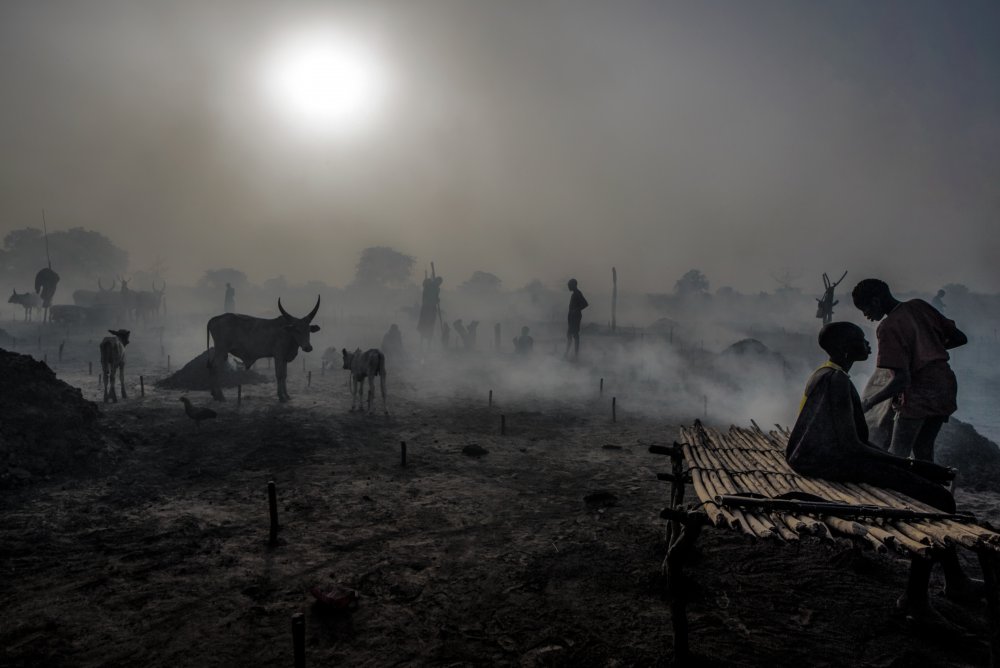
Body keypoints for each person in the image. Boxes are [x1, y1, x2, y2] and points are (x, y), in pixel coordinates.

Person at [786, 321, 981, 615]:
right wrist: (912, 464)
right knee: (939, 499)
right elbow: (853, 447)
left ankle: (955, 581)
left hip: (825, 458)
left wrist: (913, 466)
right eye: (861, 340)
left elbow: (855, 441)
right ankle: (916, 597)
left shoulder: (825, 373)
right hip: (832, 464)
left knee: (929, 488)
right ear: (844, 348)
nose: (867, 344)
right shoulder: (837, 381)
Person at [852, 279, 967, 462]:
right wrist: (930, 348)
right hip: (944, 387)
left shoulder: (888, 327)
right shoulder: (919, 306)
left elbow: (902, 379)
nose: (866, 315)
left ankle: (895, 490)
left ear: (875, 301)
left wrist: (869, 402)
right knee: (923, 450)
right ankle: (929, 488)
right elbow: (960, 338)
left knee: (898, 452)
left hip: (918, 394)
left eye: (865, 309)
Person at [564, 278, 588, 360]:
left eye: (569, 285)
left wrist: (576, 310)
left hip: (575, 317)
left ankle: (573, 355)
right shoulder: (574, 294)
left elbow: (585, 304)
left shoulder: (577, 293)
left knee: (573, 335)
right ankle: (571, 354)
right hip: (572, 317)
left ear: (573, 285)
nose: (568, 287)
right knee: (571, 335)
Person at [418, 276, 443, 349]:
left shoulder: (437, 289)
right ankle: (421, 344)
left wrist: (437, 299)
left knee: (430, 327)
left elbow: (436, 298)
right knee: (423, 326)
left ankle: (428, 345)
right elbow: (425, 284)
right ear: (435, 281)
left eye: (440, 283)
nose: (439, 284)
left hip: (432, 309)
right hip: (426, 308)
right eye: (438, 282)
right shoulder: (428, 285)